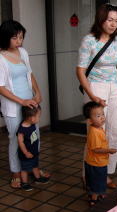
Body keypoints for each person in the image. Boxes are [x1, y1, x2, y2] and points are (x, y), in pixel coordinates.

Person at [76, 4, 117, 188]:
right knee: (96, 134)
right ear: (101, 19)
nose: (113, 24)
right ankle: (88, 174)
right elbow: (80, 71)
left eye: (116, 20)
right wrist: (91, 95)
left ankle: (106, 173)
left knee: (114, 132)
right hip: (95, 86)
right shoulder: (88, 40)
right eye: (109, 20)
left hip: (115, 87)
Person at [0, 20, 50, 189]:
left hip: (30, 103)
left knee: (34, 136)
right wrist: (21, 101)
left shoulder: (23, 52)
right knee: (16, 138)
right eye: (15, 38)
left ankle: (33, 167)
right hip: (14, 106)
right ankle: (16, 172)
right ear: (5, 38)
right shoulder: (0, 58)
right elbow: (0, 87)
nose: (19, 41)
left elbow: (30, 74)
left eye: (21, 37)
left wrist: (38, 92)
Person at [83, 101, 117, 206]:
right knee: (96, 182)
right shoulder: (94, 132)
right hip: (95, 163)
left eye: (102, 114)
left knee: (101, 180)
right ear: (89, 120)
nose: (102, 117)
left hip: (99, 162)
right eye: (98, 116)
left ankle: (100, 194)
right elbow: (96, 149)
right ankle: (93, 198)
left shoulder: (99, 128)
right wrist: (109, 150)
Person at [17, 106, 49, 191]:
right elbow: (20, 142)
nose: (39, 118)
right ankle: (24, 183)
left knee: (35, 165)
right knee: (24, 169)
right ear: (32, 118)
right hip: (26, 154)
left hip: (34, 152)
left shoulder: (32, 124)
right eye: (39, 116)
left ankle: (37, 178)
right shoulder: (22, 129)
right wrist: (26, 153)